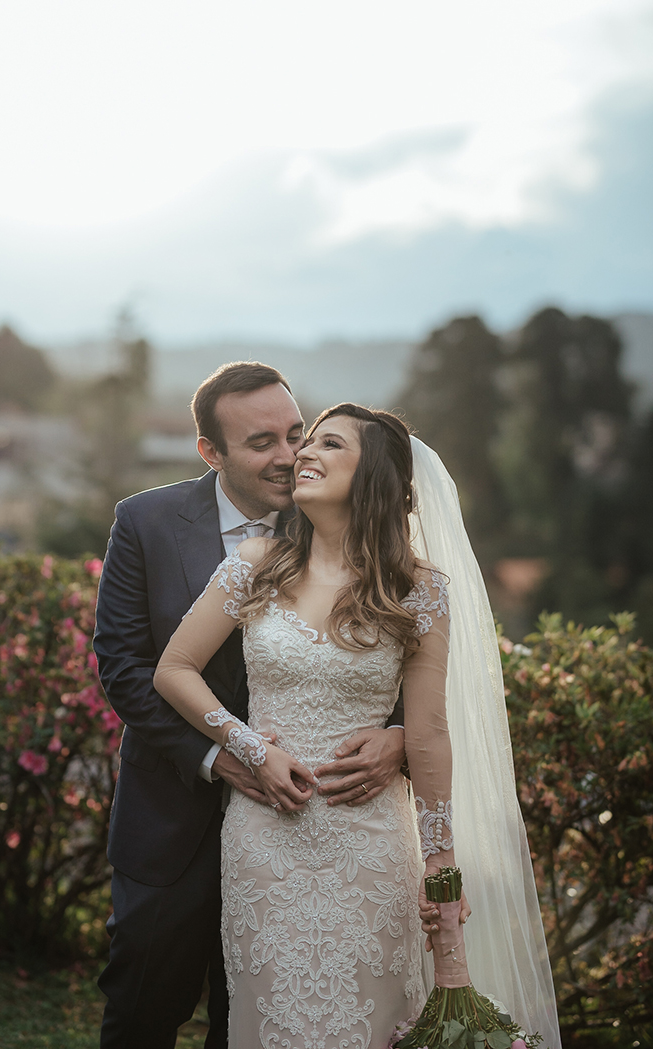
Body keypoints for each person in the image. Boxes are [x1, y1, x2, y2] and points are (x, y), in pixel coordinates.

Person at [154, 403, 562, 1049]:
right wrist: (250, 744)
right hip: (264, 840)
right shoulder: (257, 561)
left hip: (371, 845)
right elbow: (175, 668)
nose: (303, 453)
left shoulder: (419, 589)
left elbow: (426, 734)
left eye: (329, 444)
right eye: (306, 442)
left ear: (372, 474)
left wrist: (441, 868)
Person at [93, 365, 406, 1049]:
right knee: (143, 1006)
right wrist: (220, 756)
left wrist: (399, 733)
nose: (291, 455)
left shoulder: (341, 513)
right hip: (176, 816)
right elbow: (124, 665)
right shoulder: (144, 521)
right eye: (263, 441)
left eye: (298, 433)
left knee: (257, 1021)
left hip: (308, 829)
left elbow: (399, 638)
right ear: (212, 452)